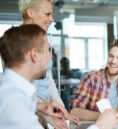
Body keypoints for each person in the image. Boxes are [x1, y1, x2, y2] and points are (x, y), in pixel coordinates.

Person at [0, 24, 81, 129]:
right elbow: (15, 107)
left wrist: (37, 106)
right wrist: (100, 125)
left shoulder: (8, 88)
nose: (51, 56)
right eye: (48, 49)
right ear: (34, 55)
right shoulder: (14, 102)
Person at [70, 39, 118, 120]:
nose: (113, 61)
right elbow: (74, 111)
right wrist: (104, 116)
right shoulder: (90, 78)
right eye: (111, 56)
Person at [18, 0, 66, 128]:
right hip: (31, 117)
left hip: (45, 115)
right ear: (30, 12)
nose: (52, 19)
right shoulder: (14, 43)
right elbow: (20, 93)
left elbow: (48, 82)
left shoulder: (41, 40)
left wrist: (62, 110)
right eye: (47, 14)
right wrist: (46, 115)